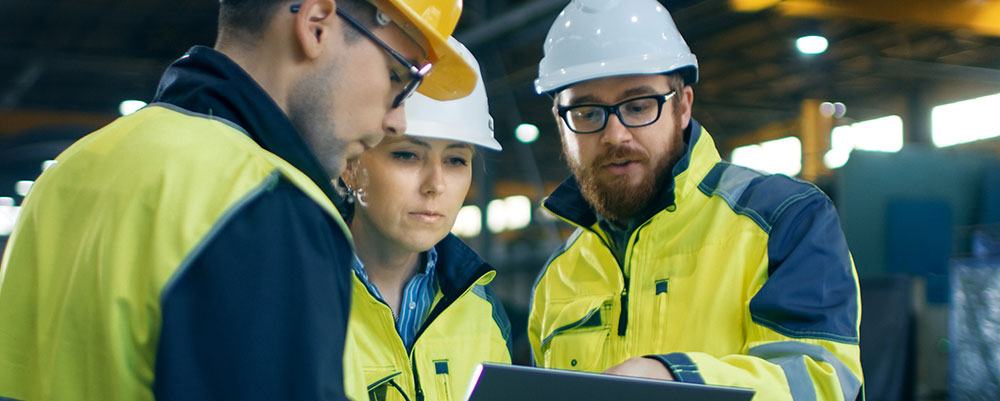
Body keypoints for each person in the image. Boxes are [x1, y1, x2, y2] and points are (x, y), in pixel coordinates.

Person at [0, 0, 475, 400]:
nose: (396, 121)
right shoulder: (267, 205)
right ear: (315, 25)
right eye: (397, 76)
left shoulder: (71, 171)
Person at [526, 1, 864, 400]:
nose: (615, 135)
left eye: (638, 106)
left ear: (683, 106)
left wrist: (677, 380)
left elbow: (823, 386)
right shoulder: (559, 275)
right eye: (586, 113)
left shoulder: (784, 221)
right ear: (561, 122)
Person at [339, 39, 511, 401]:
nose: (436, 185)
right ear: (350, 166)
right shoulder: (299, 293)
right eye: (408, 155)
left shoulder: (482, 311)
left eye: (456, 160)